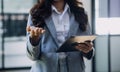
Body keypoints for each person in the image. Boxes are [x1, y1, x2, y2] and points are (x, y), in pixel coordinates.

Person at [26, 0, 95, 72]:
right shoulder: (35, 13)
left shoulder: (80, 13)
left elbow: (88, 46)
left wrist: (88, 49)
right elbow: (32, 56)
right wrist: (34, 40)